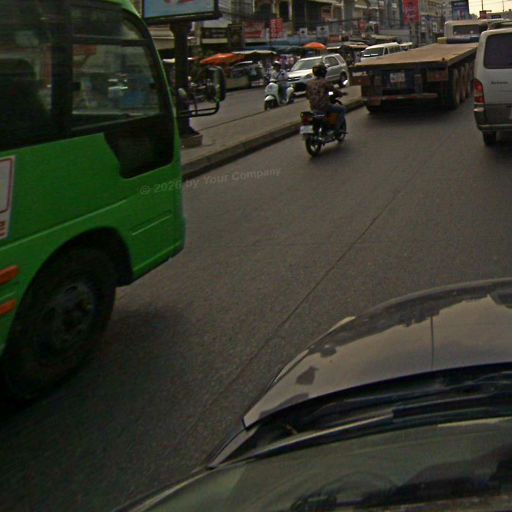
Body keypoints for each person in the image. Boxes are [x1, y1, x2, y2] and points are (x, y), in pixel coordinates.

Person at [306, 63, 346, 135]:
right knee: (342, 109)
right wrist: (341, 94)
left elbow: (307, 96)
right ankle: (337, 129)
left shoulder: (309, 83)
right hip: (324, 106)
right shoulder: (325, 82)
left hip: (313, 107)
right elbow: (334, 90)